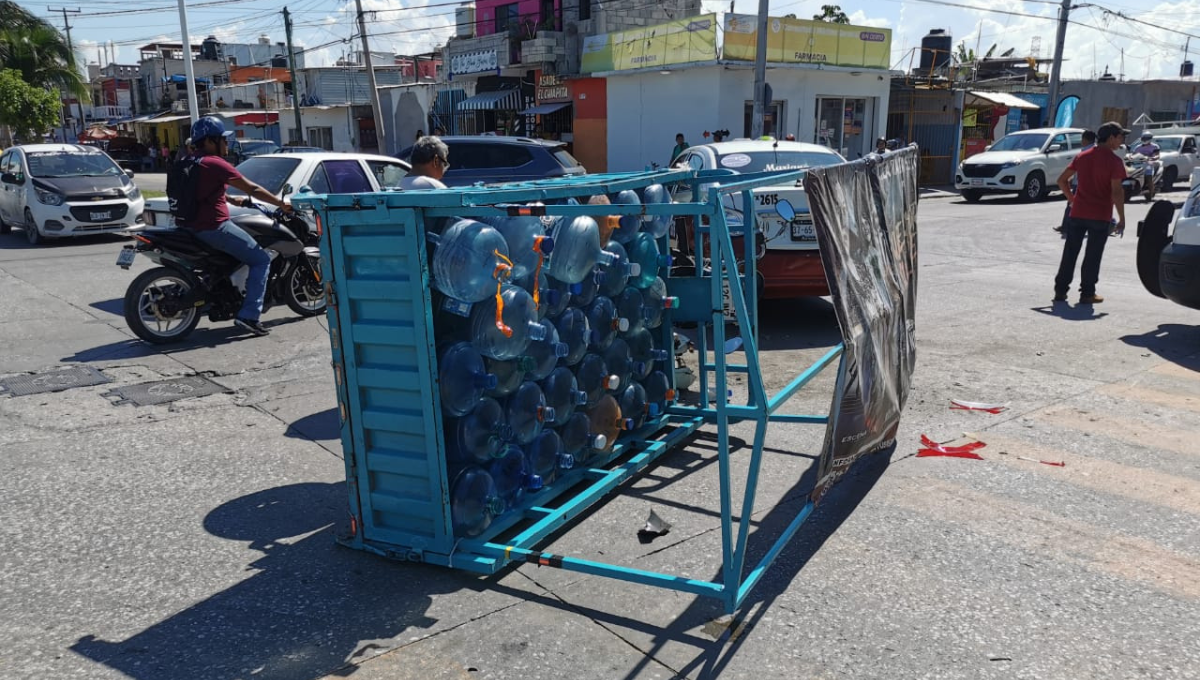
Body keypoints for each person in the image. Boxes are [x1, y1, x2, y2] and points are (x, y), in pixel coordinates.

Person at [176, 116, 292, 336]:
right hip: (213, 228)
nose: (226, 144)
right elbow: (252, 188)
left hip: (187, 225)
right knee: (261, 259)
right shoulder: (216, 163)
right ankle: (249, 316)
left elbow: (198, 192)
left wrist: (228, 200)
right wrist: (280, 203)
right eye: (223, 140)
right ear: (210, 142)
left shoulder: (187, 161)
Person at [1053, 121, 1128, 305]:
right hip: (1100, 215)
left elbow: (1062, 180)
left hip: (1078, 213)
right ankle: (1087, 293)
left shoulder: (1082, 157)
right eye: (1120, 137)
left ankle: (1060, 291)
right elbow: (1116, 192)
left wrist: (1072, 200)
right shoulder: (1115, 161)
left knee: (1070, 253)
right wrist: (1122, 218)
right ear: (1111, 138)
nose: (1121, 141)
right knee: (1092, 255)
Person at [1054, 129, 1097, 234]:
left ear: (1085, 140)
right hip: (1084, 183)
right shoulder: (1093, 150)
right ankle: (1066, 226)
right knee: (1072, 205)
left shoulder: (1086, 151)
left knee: (1072, 205)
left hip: (1081, 184)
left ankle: (1068, 227)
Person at [1131, 132, 1161, 199]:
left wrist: (1153, 157)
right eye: (1143, 138)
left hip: (1149, 164)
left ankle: (1151, 194)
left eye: (1146, 138)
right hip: (1138, 164)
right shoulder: (1137, 147)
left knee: (1149, 177)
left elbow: (1157, 155)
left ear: (1150, 139)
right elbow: (1133, 155)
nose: (1144, 140)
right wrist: (1129, 157)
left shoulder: (1155, 146)